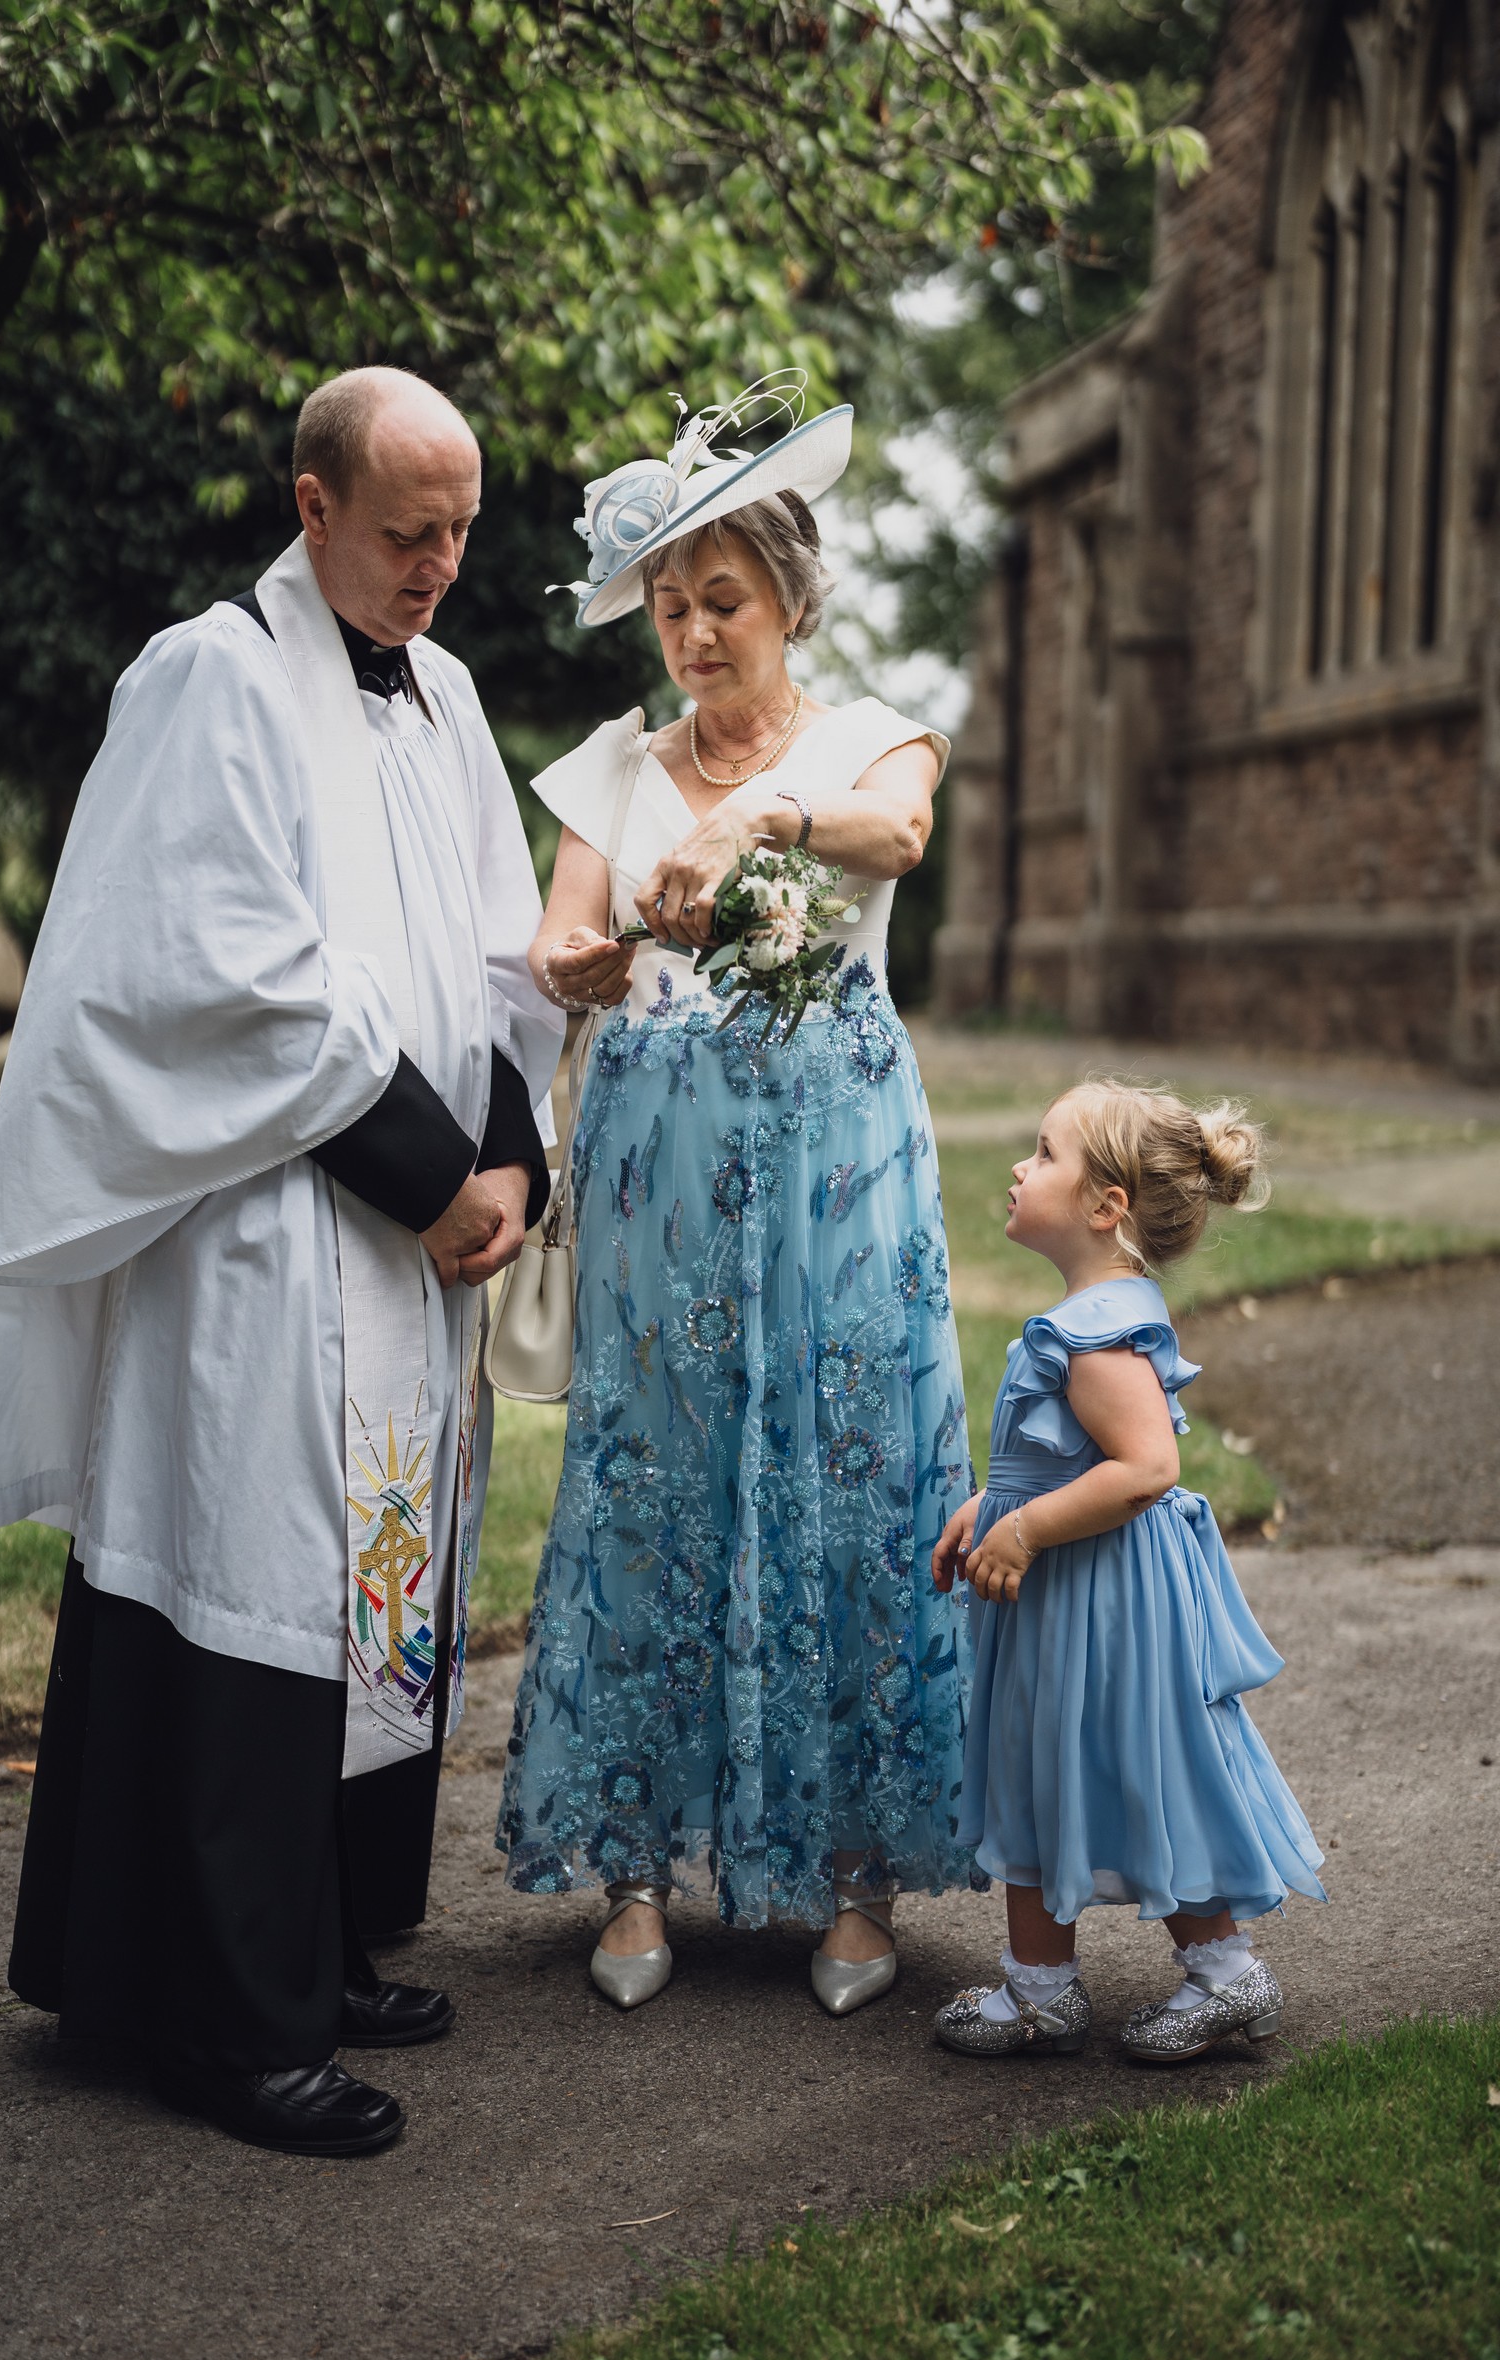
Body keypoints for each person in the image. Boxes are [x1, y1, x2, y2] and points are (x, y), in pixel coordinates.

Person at [0, 367, 562, 2154]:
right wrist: (423, 1173)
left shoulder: (443, 694)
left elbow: (498, 955)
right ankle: (229, 2021)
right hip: (266, 1236)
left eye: (462, 533)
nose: (442, 566)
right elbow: (216, 971)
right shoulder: (208, 675)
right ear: (313, 508)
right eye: (406, 533)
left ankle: (313, 1940)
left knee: (368, 1582)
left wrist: (510, 1155)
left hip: (412, 1241)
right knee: (254, 1577)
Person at [495, 377, 980, 2014]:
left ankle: (856, 1883)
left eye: (724, 601)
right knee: (656, 1481)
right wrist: (586, 951)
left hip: (838, 1170)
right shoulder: (609, 769)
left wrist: (766, 811)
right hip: (662, 1174)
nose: (694, 634)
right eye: (671, 608)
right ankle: (633, 1870)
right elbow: (563, 942)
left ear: (788, 596)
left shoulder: (871, 740)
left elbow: (897, 839)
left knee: (847, 1479)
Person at [929, 1080, 1326, 2062]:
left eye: (1045, 1152)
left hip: (1102, 1612)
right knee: (1036, 1768)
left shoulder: (1096, 1337)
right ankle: (1039, 1990)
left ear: (1104, 1207)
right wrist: (994, 1508)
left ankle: (1228, 1979)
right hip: (1066, 1603)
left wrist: (1023, 1535)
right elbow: (1058, 1456)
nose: (1020, 1168)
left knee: (1138, 1774)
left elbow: (1146, 1467)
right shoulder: (1085, 1316)